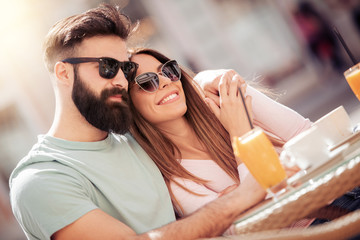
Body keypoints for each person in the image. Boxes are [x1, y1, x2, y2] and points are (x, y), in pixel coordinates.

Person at [9, 4, 267, 240]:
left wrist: (206, 81)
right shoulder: (41, 180)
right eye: (107, 67)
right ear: (64, 72)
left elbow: (167, 94)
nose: (121, 80)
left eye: (126, 69)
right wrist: (242, 197)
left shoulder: (136, 138)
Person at [127, 48, 313, 233]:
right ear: (129, 104)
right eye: (147, 82)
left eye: (168, 71)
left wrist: (244, 199)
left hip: (334, 198)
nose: (166, 81)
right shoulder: (176, 182)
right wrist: (240, 133)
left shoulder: (225, 97)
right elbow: (251, 227)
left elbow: (309, 136)